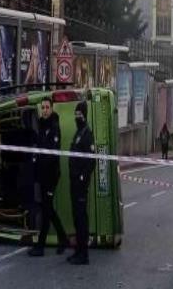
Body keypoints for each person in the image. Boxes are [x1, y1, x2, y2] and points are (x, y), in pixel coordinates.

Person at [28, 98, 68, 257]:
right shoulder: (42, 126)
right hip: (42, 175)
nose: (44, 110)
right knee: (47, 208)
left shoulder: (54, 127)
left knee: (47, 209)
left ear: (51, 109)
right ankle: (62, 238)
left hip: (51, 175)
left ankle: (41, 246)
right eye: (42, 107)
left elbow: (52, 154)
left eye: (47, 107)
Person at [68, 101, 96, 265]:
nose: (77, 117)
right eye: (76, 114)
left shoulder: (87, 135)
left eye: (79, 115)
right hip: (74, 183)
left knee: (81, 219)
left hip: (80, 185)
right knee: (76, 218)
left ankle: (83, 254)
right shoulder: (78, 133)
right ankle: (78, 250)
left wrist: (82, 179)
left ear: (84, 116)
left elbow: (90, 162)